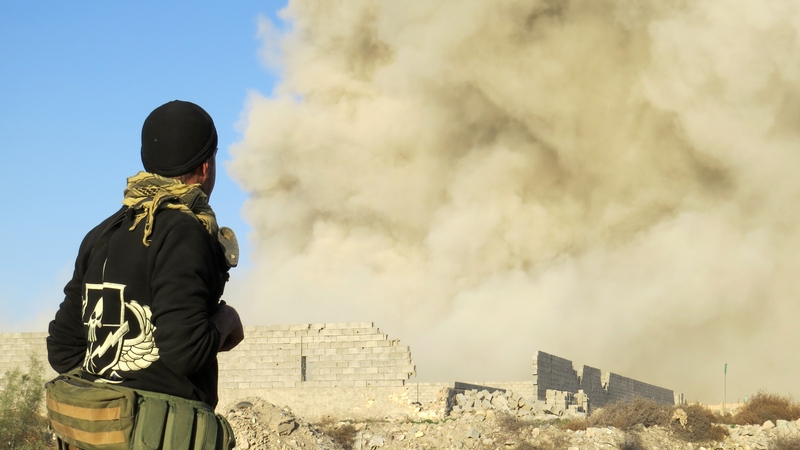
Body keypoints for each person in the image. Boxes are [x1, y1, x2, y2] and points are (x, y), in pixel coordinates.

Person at [46, 100, 244, 449]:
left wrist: (114, 390)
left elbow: (63, 351)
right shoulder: (184, 232)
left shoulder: (103, 233)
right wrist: (226, 319)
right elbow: (186, 352)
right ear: (205, 166)